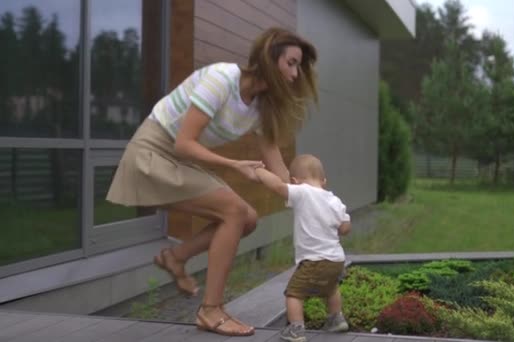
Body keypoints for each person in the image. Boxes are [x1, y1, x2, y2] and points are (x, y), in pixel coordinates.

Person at [106, 27, 319, 337]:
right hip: (151, 154)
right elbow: (183, 143)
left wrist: (308, 197)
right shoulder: (222, 79)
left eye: (300, 66)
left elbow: (276, 165)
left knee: (248, 218)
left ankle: (176, 257)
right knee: (234, 211)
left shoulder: (261, 107)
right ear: (269, 59)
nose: (296, 74)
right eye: (291, 63)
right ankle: (210, 310)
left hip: (178, 159)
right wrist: (234, 165)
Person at [254, 154, 351, 342]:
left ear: (295, 181)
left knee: (294, 294)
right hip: (337, 260)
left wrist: (259, 171)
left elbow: (277, 186)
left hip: (313, 260)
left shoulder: (302, 192)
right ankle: (336, 319)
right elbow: (345, 228)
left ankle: (296, 330)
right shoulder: (335, 200)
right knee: (331, 288)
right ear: (324, 180)